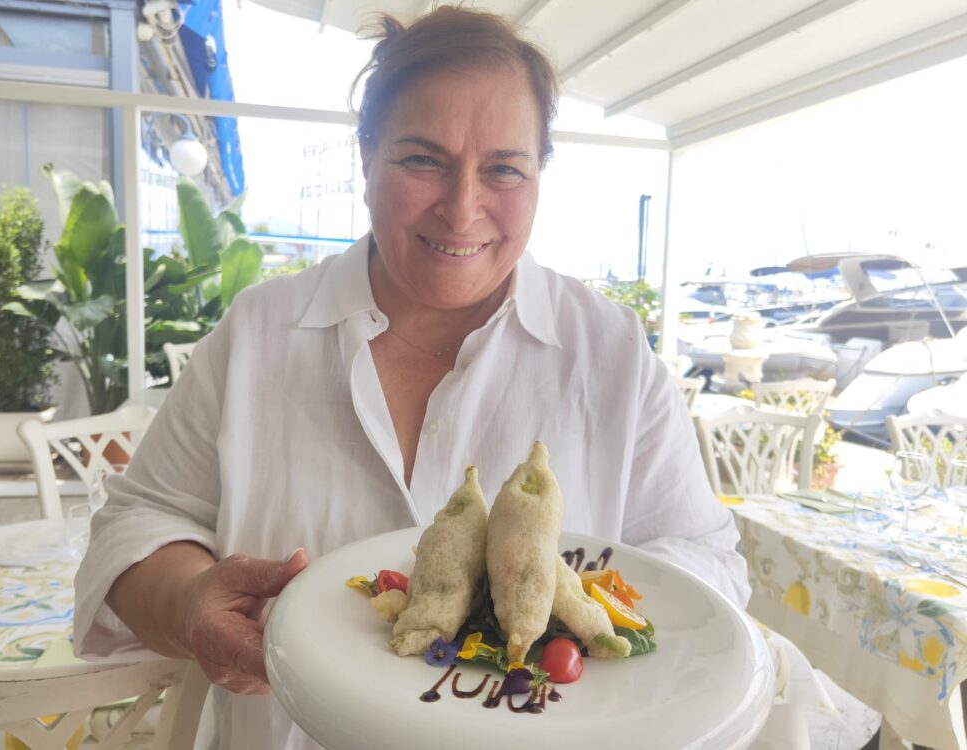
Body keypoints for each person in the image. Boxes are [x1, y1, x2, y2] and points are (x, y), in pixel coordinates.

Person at [75, 7, 749, 748]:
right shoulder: (260, 332)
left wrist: (571, 596)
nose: (462, 209)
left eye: (504, 168)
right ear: (365, 157)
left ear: (539, 174)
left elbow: (711, 560)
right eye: (422, 160)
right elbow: (135, 526)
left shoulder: (610, 354)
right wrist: (189, 603)